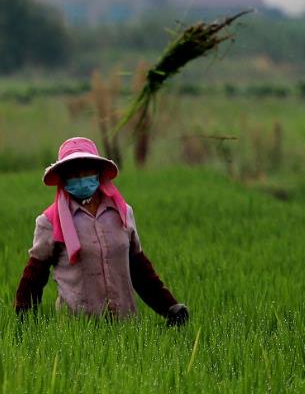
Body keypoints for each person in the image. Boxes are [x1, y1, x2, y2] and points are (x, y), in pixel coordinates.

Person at [15, 137, 189, 326]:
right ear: (63, 178)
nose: (81, 176)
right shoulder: (50, 221)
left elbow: (139, 270)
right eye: (73, 172)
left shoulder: (122, 213)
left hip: (125, 326)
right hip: (78, 331)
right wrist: (25, 324)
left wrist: (170, 308)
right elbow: (34, 276)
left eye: (87, 168)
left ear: (98, 172)